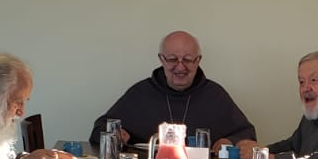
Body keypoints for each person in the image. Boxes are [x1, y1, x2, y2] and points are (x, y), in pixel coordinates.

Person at [90, 30, 256, 148]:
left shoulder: (215, 95)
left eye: (188, 60)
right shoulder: (140, 93)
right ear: (161, 59)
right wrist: (115, 135)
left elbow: (247, 134)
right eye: (172, 59)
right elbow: (99, 129)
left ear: (198, 60)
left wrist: (230, 142)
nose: (180, 67)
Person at [239, 50, 318, 159]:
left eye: (313, 80)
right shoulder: (311, 117)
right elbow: (291, 145)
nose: (305, 88)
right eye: (302, 82)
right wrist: (261, 150)